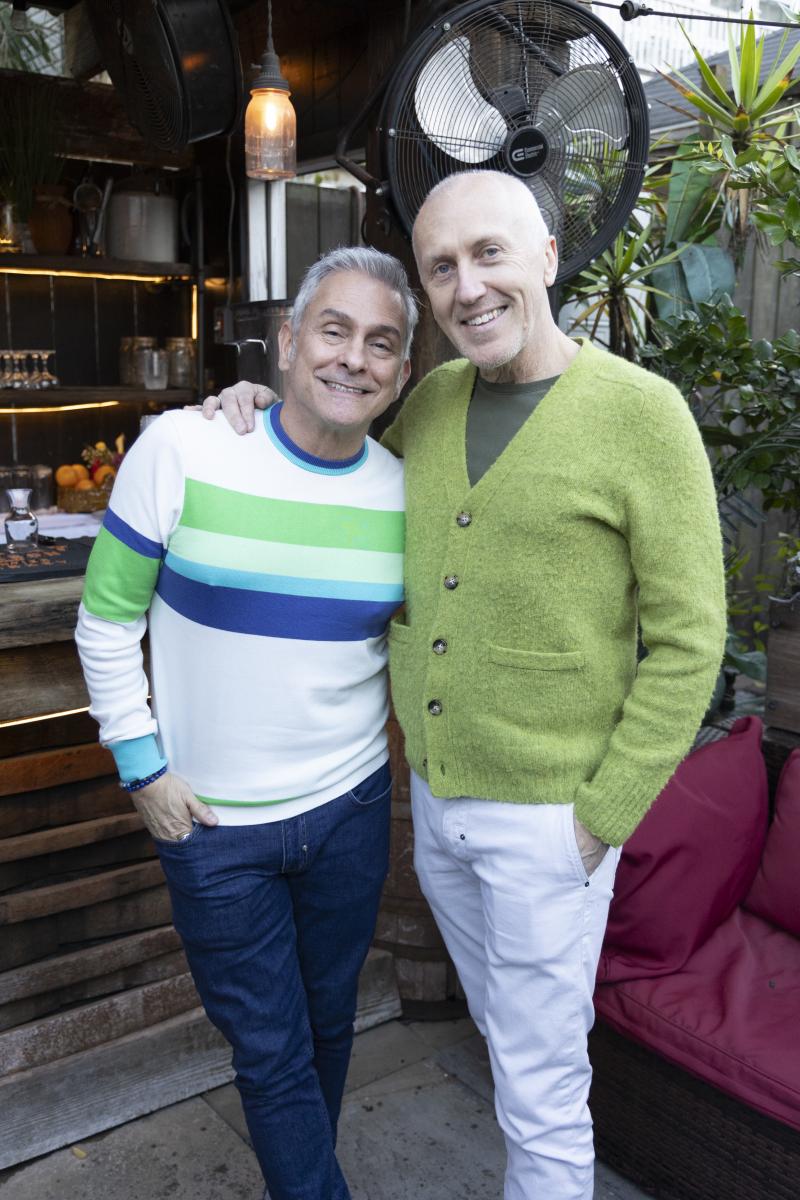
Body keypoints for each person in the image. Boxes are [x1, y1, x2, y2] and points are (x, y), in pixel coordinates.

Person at [202, 171, 727, 1200]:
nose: (467, 286)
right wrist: (267, 405)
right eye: (441, 267)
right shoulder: (435, 402)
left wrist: (600, 818)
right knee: (508, 1039)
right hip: (440, 808)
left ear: (547, 256)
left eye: (489, 253)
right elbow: (342, 473)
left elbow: (689, 641)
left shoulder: (641, 415)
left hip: (551, 819)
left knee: (540, 1088)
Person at [75, 246, 417, 1200]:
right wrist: (143, 771)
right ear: (288, 340)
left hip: (350, 813)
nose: (354, 358)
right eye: (335, 331)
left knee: (330, 1025)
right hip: (216, 828)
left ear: (400, 374)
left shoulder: (407, 495)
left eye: (381, 343)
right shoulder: (182, 449)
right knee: (271, 1051)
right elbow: (106, 619)